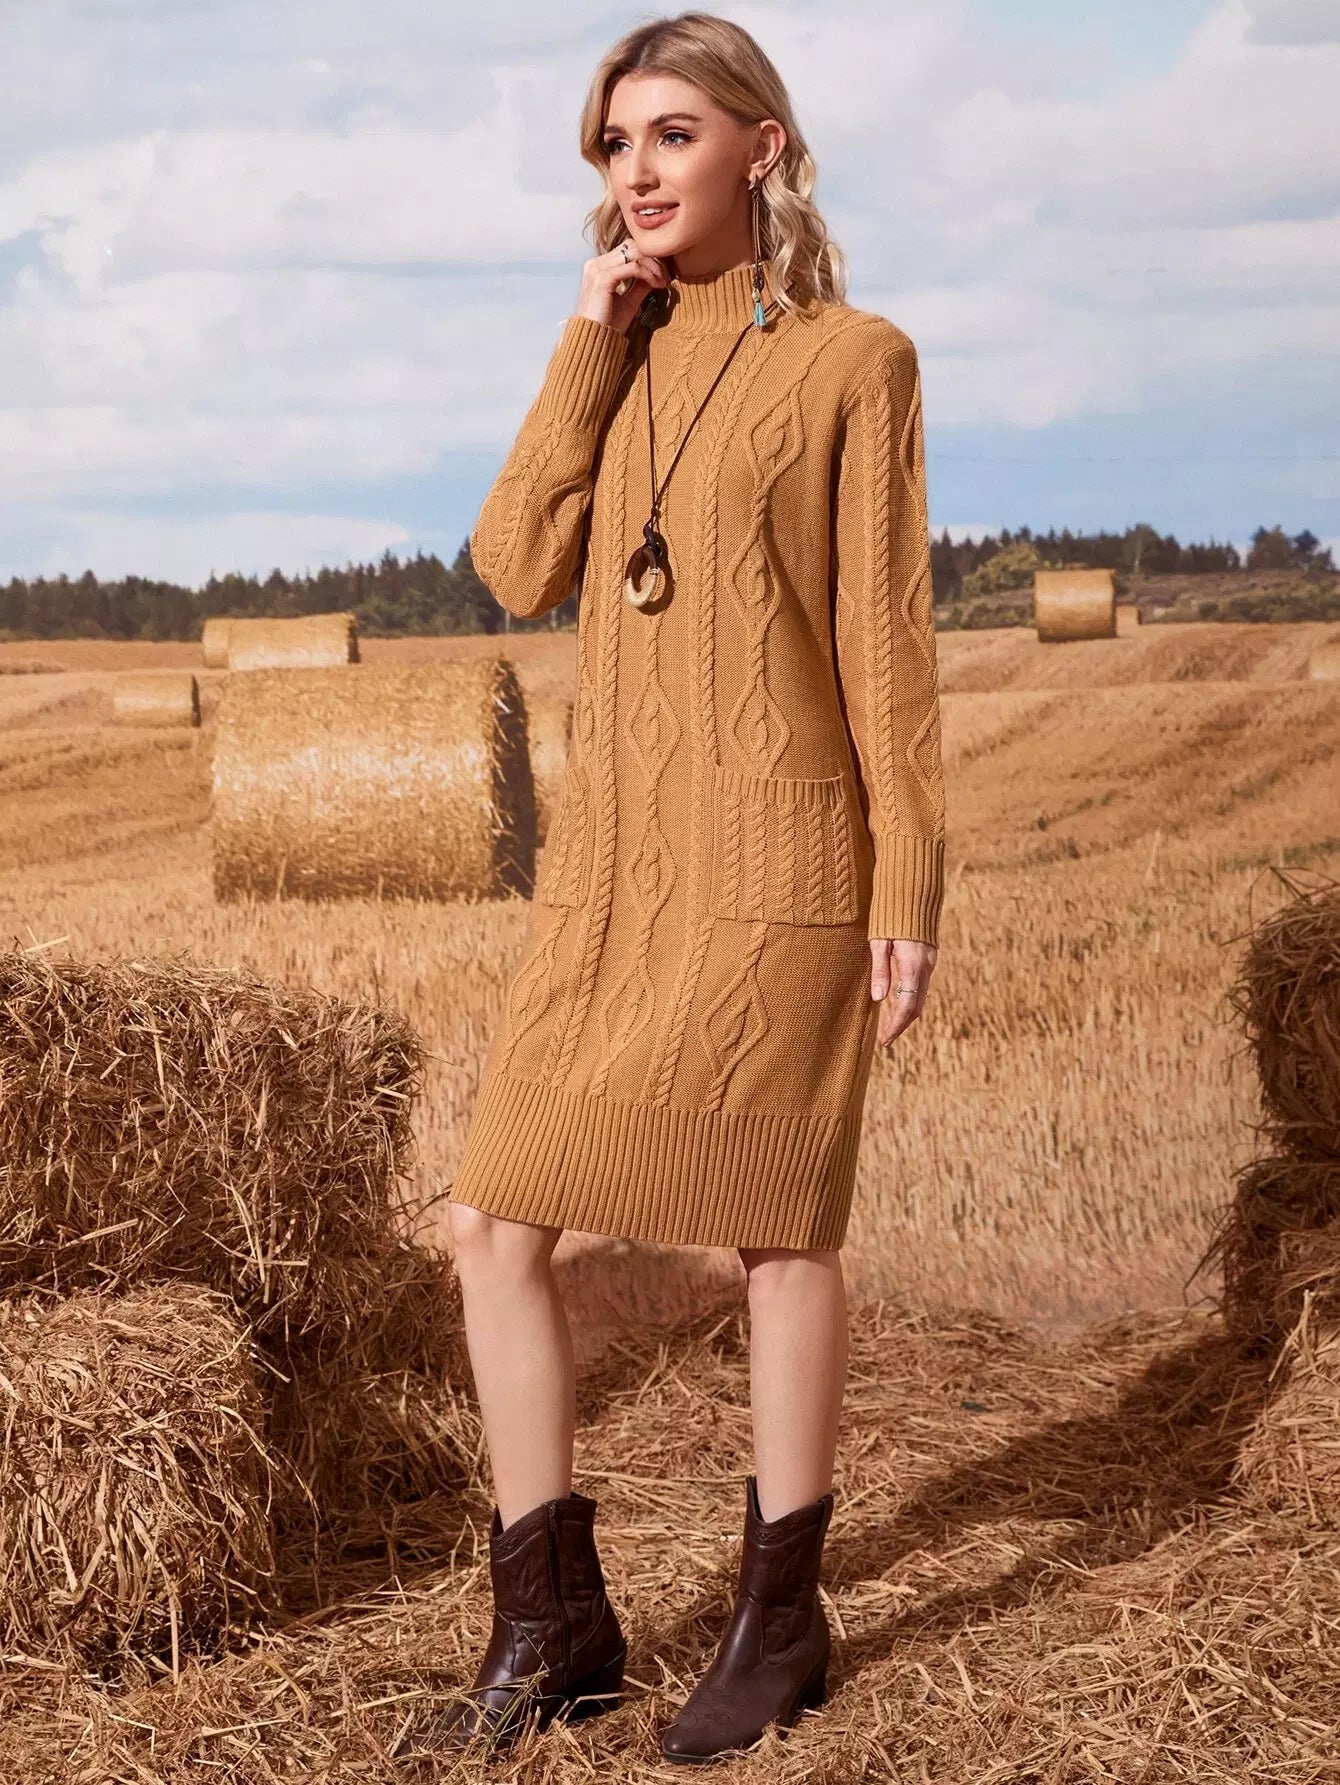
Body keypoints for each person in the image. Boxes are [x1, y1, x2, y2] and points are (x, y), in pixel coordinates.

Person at [427, 8, 946, 1766]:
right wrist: (587, 339)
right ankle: (550, 1621)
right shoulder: (623, 349)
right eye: (614, 144)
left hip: (785, 865)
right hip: (611, 878)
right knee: (492, 1223)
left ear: (760, 150)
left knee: (779, 1234)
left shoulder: (857, 364)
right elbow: (515, 565)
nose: (635, 172)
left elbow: (886, 645)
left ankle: (780, 1620)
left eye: (670, 135)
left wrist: (909, 872)